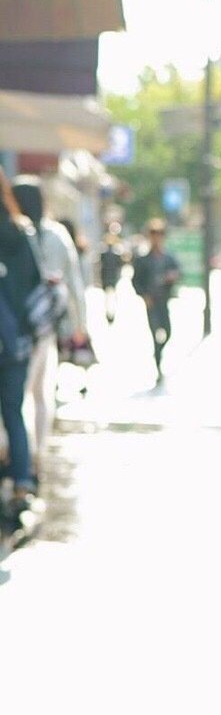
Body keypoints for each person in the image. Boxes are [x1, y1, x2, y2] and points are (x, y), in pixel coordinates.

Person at [12, 177, 88, 470]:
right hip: (46, 324)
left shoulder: (17, 232)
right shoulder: (56, 235)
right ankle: (37, 453)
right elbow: (74, 282)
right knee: (42, 391)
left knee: (21, 394)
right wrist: (80, 324)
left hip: (20, 324)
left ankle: (19, 452)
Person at [0, 168, 42, 529]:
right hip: (16, 341)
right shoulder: (21, 229)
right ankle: (22, 481)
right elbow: (36, 284)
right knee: (14, 411)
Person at [131, 219, 181, 381]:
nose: (156, 238)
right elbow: (135, 281)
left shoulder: (168, 258)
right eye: (154, 235)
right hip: (151, 302)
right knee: (154, 333)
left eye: (159, 235)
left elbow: (178, 271)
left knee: (168, 331)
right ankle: (158, 364)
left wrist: (172, 277)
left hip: (164, 301)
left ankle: (158, 352)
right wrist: (144, 296)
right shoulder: (143, 260)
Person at [99, 230, 126, 324]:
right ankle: (110, 312)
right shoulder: (112, 253)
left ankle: (110, 312)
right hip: (110, 276)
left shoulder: (108, 253)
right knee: (110, 296)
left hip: (108, 276)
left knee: (109, 296)